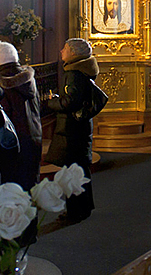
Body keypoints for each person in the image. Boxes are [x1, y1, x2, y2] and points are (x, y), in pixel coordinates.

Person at [43, 38, 98, 222]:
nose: (61, 51)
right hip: (79, 127)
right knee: (80, 170)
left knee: (71, 172)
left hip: (71, 129)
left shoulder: (74, 73)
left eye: (65, 48)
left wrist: (52, 102)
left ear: (74, 53)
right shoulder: (82, 70)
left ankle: (75, 211)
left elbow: (70, 102)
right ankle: (84, 207)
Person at [0, 41, 42, 191]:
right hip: (33, 140)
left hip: (11, 146)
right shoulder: (29, 79)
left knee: (11, 195)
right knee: (31, 192)